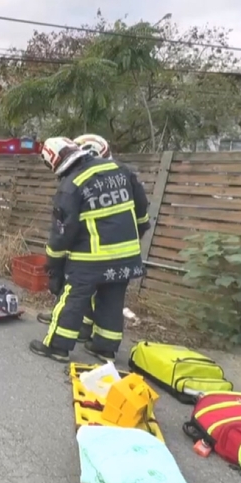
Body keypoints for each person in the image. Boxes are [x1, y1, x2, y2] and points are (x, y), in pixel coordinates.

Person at [31, 137, 150, 363]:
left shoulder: (70, 186)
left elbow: (62, 234)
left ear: (53, 162)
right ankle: (103, 348)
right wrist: (138, 232)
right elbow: (141, 210)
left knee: (73, 298)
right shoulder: (119, 169)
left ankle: (57, 346)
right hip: (127, 256)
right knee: (112, 300)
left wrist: (54, 267)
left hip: (91, 258)